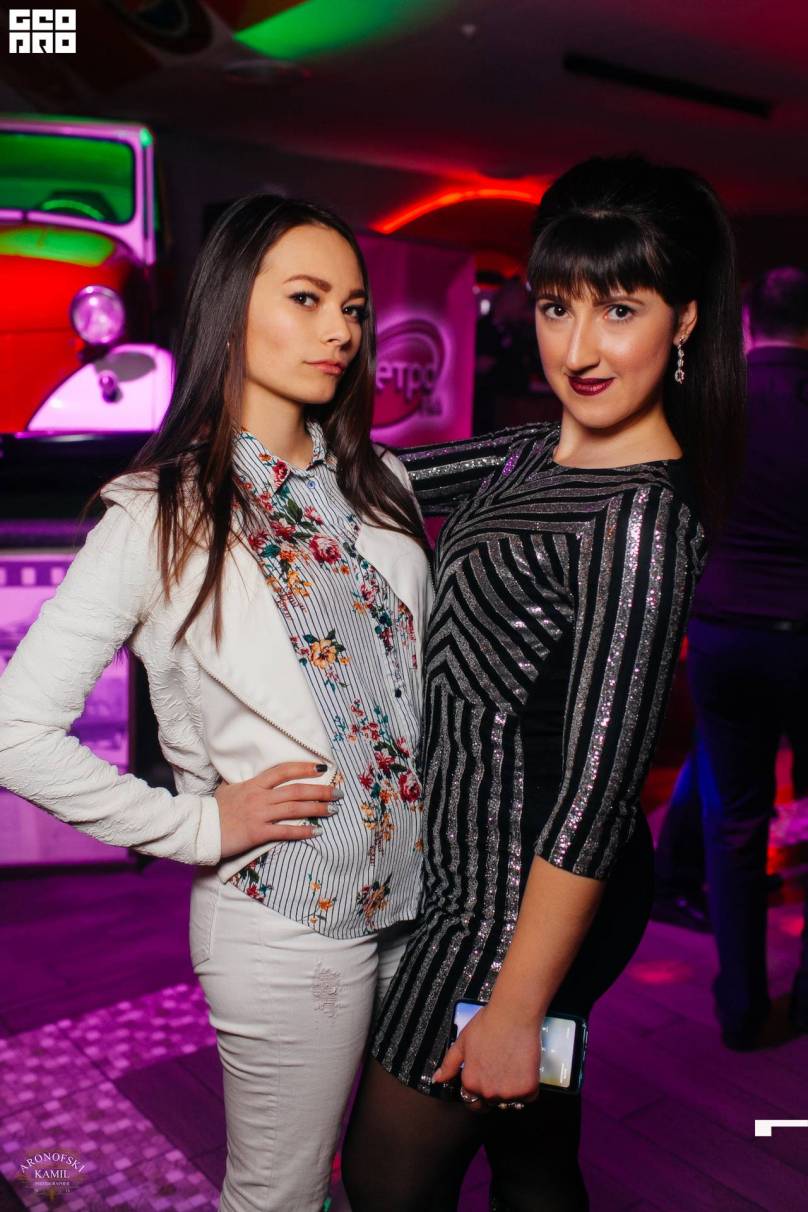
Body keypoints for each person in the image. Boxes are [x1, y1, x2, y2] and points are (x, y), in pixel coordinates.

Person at [0, 195, 433, 1211]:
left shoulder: (380, 482)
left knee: (392, 1180)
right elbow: (14, 731)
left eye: (354, 308)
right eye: (307, 299)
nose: (340, 330)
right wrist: (197, 825)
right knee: (279, 1195)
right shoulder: (157, 513)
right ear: (231, 308)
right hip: (288, 916)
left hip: (420, 903)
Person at [342, 155, 745, 1212]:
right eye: (559, 306)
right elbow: (364, 488)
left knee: (382, 1185)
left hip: (516, 900)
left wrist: (517, 1005)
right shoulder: (530, 452)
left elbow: (600, 792)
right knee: (529, 1151)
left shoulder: (641, 520)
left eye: (620, 309)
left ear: (684, 320)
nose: (579, 349)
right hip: (475, 867)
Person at [682, 266, 808, 1047]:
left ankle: (740, 1007)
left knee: (734, 822)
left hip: (726, 633)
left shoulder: (711, 406)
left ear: (749, 324)